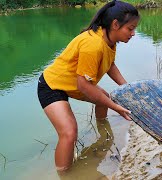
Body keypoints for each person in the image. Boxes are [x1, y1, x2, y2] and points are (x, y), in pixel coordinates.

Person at [37, 0, 140, 172]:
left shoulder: (109, 39)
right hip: (52, 85)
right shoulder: (93, 44)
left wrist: (127, 88)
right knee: (69, 133)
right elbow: (84, 86)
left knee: (103, 100)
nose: (133, 33)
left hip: (75, 83)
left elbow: (110, 65)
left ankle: (103, 133)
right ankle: (65, 174)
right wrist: (117, 107)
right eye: (130, 28)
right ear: (115, 24)